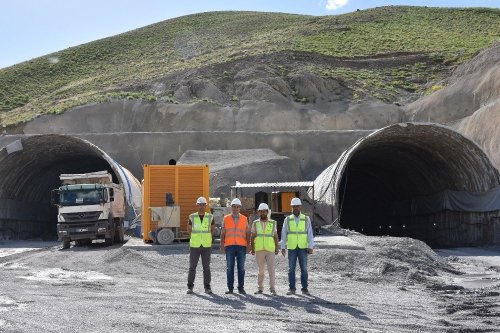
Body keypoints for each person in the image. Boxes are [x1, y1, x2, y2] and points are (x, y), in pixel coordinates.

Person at [281, 197, 315, 296]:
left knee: (304, 268)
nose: (295, 208)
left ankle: (304, 289)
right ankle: (292, 288)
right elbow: (284, 233)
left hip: (303, 247)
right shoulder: (287, 219)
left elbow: (309, 233)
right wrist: (283, 247)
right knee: (291, 269)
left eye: (296, 206)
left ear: (300, 207)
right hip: (292, 247)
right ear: (291, 207)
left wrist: (310, 246)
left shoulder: (306, 219)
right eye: (293, 206)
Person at [220, 198, 251, 294]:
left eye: (237, 207)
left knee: (241, 268)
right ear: (231, 207)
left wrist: (248, 245)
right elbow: (223, 233)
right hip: (229, 246)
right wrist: (222, 245)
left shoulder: (244, 219)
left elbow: (247, 232)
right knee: (230, 268)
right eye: (234, 206)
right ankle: (230, 288)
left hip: (241, 246)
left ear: (240, 208)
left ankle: (241, 288)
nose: (235, 208)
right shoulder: (226, 218)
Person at [187, 196, 215, 294]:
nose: (202, 206)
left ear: (206, 206)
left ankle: (207, 287)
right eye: (200, 205)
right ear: (197, 205)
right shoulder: (192, 217)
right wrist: (195, 238)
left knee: (206, 267)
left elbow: (212, 229)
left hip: (206, 245)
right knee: (192, 267)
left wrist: (207, 238)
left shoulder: (210, 217)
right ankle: (190, 287)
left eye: (203, 205)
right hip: (195, 245)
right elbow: (189, 230)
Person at [251, 203, 279, 296]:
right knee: (261, 270)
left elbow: (275, 236)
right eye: (260, 211)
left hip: (270, 249)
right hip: (259, 249)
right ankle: (260, 288)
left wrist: (276, 247)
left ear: (267, 212)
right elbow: (252, 236)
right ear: (258, 212)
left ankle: (272, 289)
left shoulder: (273, 222)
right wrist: (252, 248)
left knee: (271, 270)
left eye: (264, 211)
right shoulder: (255, 223)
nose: (262, 213)